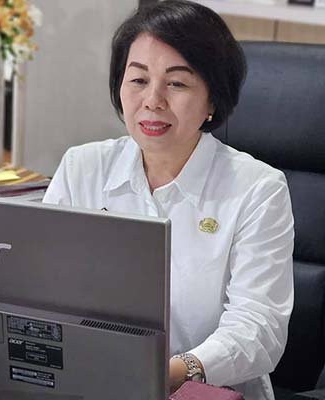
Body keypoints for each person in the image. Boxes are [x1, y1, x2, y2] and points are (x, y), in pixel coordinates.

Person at [42, 1, 294, 399]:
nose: (153, 100)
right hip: (92, 381)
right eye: (138, 79)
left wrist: (174, 371)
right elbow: (43, 290)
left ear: (213, 100)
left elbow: (258, 328)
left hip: (207, 390)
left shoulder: (258, 189)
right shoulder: (82, 167)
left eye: (176, 83)